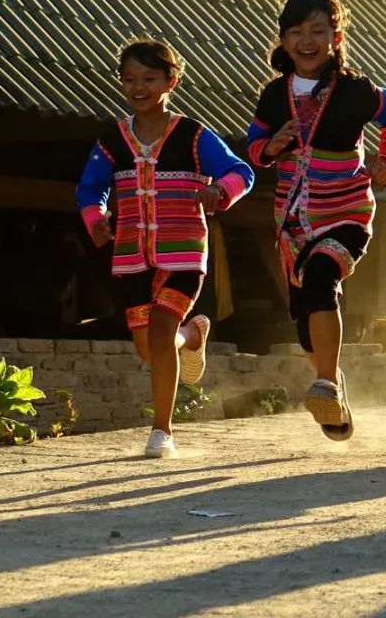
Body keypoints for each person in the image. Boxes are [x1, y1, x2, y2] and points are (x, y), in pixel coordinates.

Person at [77, 39, 254, 458]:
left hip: (184, 252)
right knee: (146, 347)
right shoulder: (112, 141)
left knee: (159, 331)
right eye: (130, 80)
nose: (138, 87)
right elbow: (89, 188)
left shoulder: (193, 135)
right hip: (130, 255)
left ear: (170, 81)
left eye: (149, 79)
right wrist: (95, 218)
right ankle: (193, 334)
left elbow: (240, 171)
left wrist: (218, 191)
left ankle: (162, 431)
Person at [246, 0, 386, 441]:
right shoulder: (274, 96)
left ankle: (326, 383)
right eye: (296, 31)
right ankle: (334, 395)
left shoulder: (357, 90)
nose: (306, 40)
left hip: (346, 211)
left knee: (320, 279)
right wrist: (270, 146)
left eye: (318, 30)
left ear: (336, 35)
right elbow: (254, 148)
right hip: (293, 221)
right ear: (283, 40)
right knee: (306, 325)